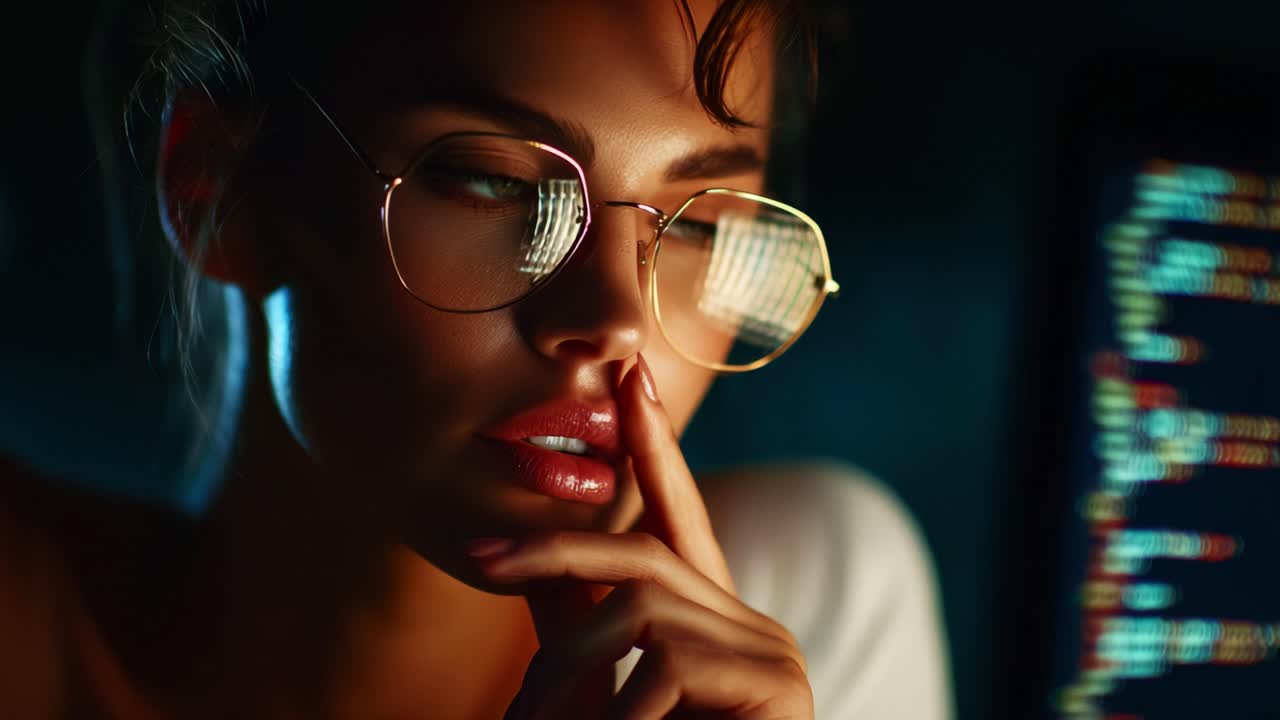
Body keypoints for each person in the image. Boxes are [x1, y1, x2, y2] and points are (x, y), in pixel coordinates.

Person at [0, 1, 952, 717]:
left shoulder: (806, 605)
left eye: (698, 224)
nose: (615, 318)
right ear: (219, 189)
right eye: (496, 183)